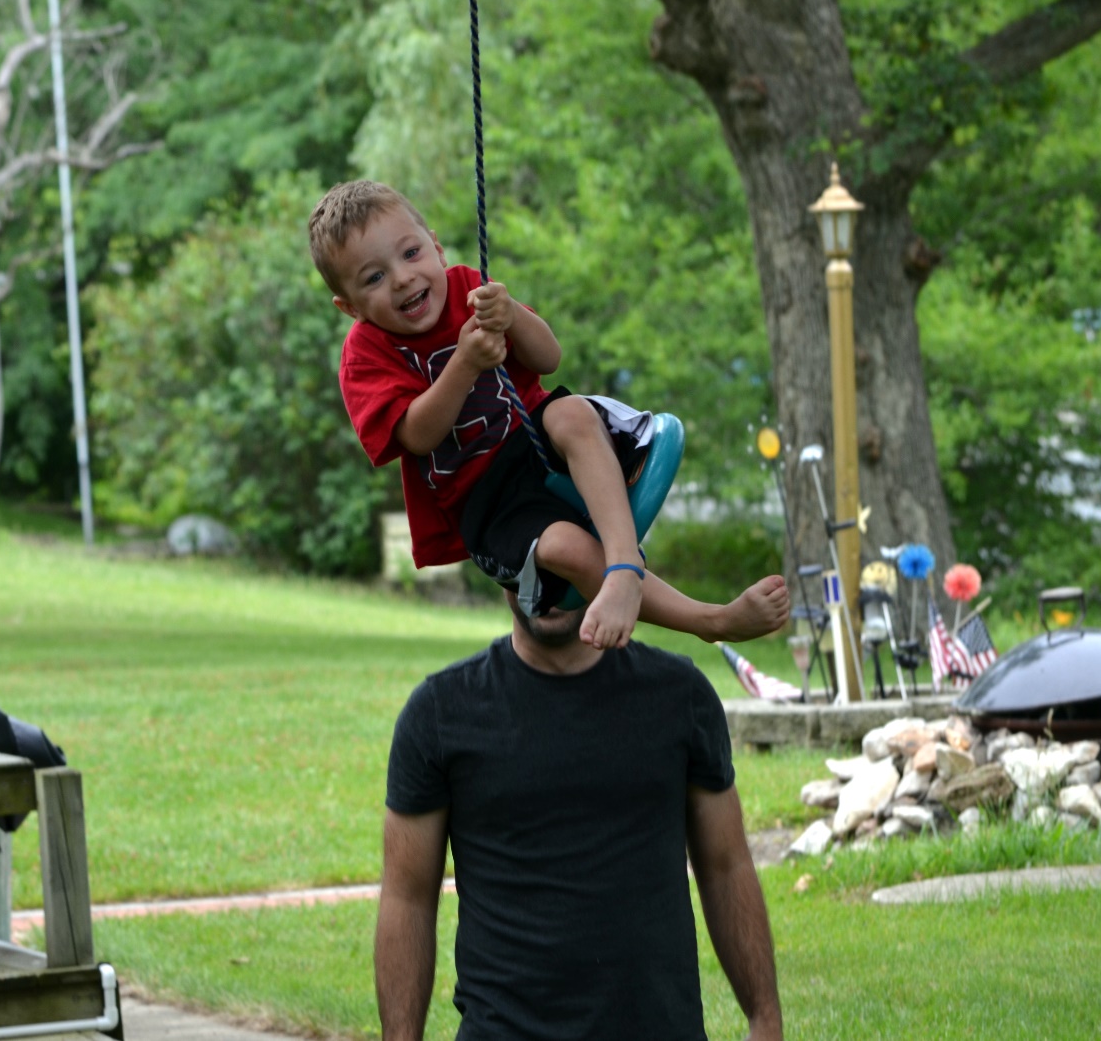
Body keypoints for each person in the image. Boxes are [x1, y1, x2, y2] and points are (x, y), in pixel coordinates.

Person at [309, 179, 787, 650]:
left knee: (572, 413)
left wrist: (512, 312)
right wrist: (465, 362)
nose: (402, 278)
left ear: (435, 246)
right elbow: (417, 435)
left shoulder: (470, 288)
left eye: (411, 253)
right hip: (485, 501)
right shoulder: (365, 353)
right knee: (563, 549)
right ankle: (710, 621)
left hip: (536, 441)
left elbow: (548, 358)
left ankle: (624, 567)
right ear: (349, 306)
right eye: (374, 277)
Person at [375, 591, 784, 1040]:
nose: (543, 587)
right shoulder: (440, 712)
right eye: (526, 561)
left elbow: (727, 867)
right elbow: (407, 897)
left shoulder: (679, 695)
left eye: (561, 568)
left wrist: (765, 1019)